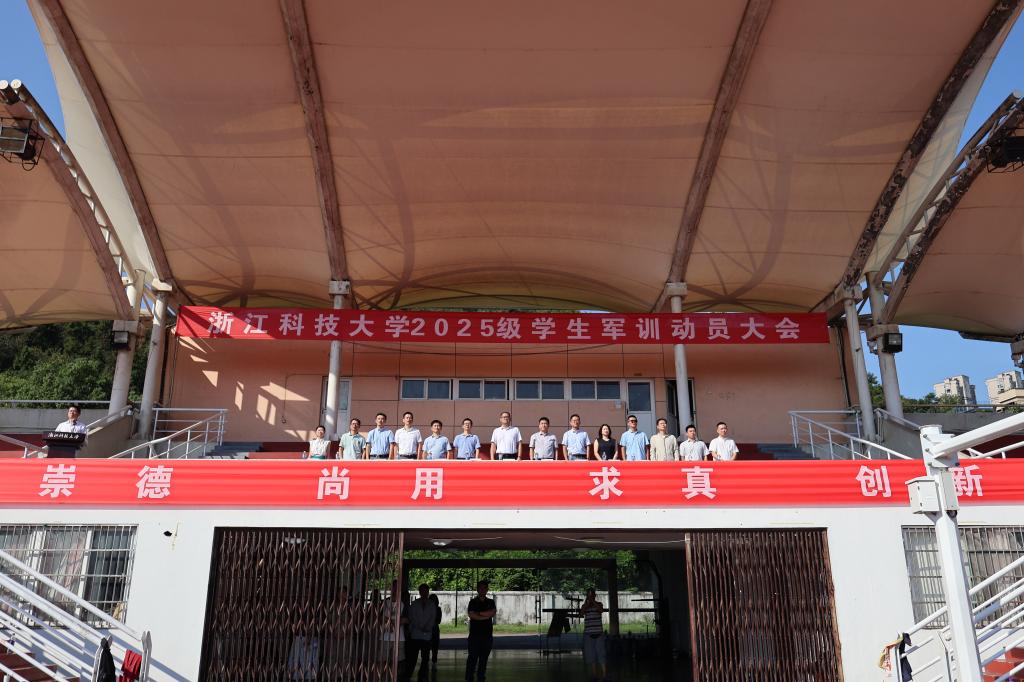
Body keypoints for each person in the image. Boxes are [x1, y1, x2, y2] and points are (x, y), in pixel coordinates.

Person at [466, 579, 496, 682]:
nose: (482, 590)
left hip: (487, 636)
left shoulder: (491, 602)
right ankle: (469, 677)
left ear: (487, 589)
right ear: (477, 589)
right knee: (472, 658)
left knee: (484, 659)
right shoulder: (473, 602)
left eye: (484, 588)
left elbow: (492, 613)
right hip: (474, 636)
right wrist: (486, 616)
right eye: (480, 588)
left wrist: (479, 613)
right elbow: (472, 615)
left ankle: (481, 677)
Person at [407, 584, 436, 679]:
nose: (424, 593)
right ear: (419, 592)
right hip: (416, 634)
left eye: (426, 591)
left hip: (427, 635)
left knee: (425, 658)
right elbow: (412, 617)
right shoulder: (414, 604)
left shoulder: (432, 604)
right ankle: (408, 675)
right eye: (422, 591)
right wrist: (419, 626)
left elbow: (433, 617)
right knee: (413, 657)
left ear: (428, 592)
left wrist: (427, 627)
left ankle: (422, 675)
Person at [580, 588, 607, 682]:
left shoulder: (599, 604)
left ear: (595, 596)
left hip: (598, 633)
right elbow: (581, 613)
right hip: (588, 634)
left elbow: (601, 610)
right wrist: (587, 603)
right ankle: (595, 675)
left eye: (592, 595)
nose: (590, 597)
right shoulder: (584, 606)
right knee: (591, 656)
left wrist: (593, 602)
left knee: (601, 655)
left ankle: (604, 675)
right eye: (589, 595)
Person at [429, 593, 442, 666]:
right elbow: (438, 621)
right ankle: (434, 660)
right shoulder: (438, 609)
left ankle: (433, 659)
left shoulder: (437, 609)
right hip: (434, 629)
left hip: (432, 629)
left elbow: (438, 620)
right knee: (434, 646)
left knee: (432, 646)